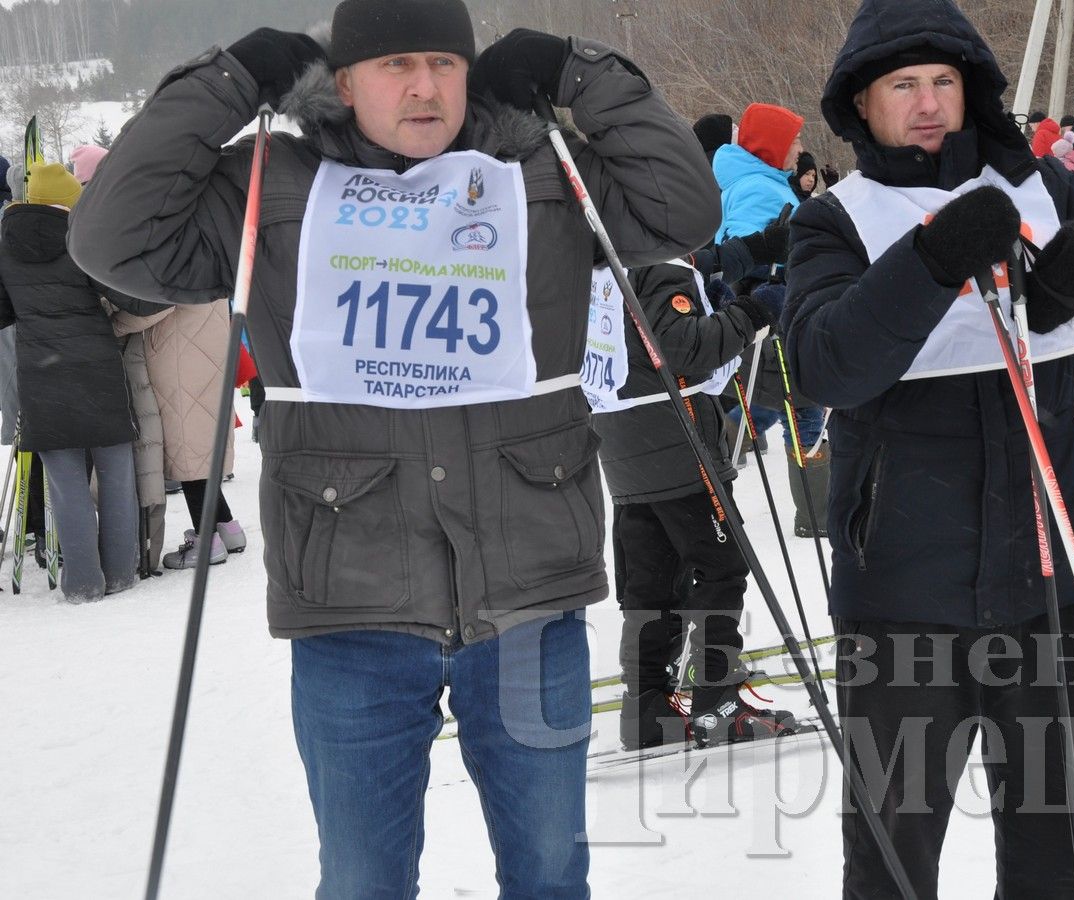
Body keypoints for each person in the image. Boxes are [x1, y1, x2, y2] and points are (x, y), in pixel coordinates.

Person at [68, 0, 719, 895]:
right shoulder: (275, 181)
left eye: (445, 64)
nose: (424, 87)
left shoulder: (534, 170)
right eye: (395, 65)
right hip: (351, 605)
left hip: (527, 595)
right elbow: (112, 237)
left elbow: (681, 210)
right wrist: (226, 84)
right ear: (341, 83)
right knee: (364, 881)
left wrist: (578, 71)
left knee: (550, 873)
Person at [783, 0, 1074, 895]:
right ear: (860, 106)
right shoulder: (838, 219)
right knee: (892, 856)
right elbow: (826, 362)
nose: (925, 103)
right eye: (900, 85)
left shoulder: (1040, 187)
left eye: (942, 81)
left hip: (1048, 590)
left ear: (970, 89)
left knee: (1055, 848)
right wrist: (930, 258)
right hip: (903, 601)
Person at [589, 263, 797, 749]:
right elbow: (686, 350)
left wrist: (739, 279)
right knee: (719, 569)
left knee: (653, 582)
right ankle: (717, 700)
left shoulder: (596, 251)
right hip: (676, 438)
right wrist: (753, 311)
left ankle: (646, 707)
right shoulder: (659, 258)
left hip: (620, 441)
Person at [0, 163, 140, 603]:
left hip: (42, 374)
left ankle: (82, 584)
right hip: (96, 369)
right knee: (117, 475)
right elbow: (131, 295)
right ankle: (120, 573)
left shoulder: (4, 246)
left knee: (65, 484)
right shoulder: (81, 240)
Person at [109, 298, 245, 569]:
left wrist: (113, 323)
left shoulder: (176, 257)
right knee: (201, 444)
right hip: (206, 348)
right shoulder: (208, 256)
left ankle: (206, 542)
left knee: (188, 452)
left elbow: (156, 304)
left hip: (180, 356)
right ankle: (227, 528)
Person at [713, 102, 804, 241]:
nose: (801, 150)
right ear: (775, 144)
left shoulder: (761, 181)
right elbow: (747, 255)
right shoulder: (758, 189)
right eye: (795, 141)